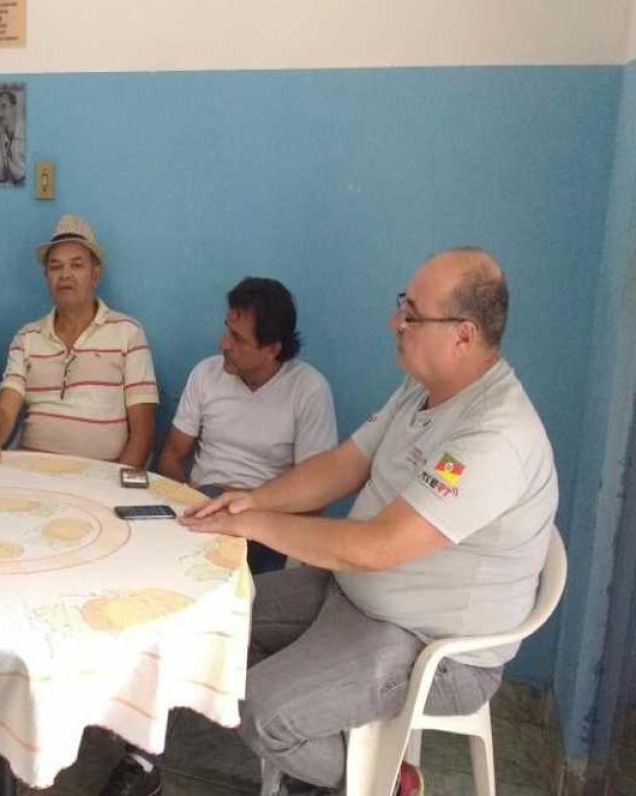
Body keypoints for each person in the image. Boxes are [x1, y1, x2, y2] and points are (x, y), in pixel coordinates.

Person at [169, 248, 558, 796]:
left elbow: (376, 547)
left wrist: (255, 524)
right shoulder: (422, 390)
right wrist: (253, 499)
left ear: (464, 335)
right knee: (214, 627)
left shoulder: (493, 437)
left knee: (261, 710)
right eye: (402, 305)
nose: (394, 322)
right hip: (354, 593)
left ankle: (385, 784)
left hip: (426, 642)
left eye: (413, 314)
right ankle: (323, 766)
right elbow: (344, 465)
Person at [157, 277, 337, 573]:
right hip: (201, 504)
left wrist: (246, 506)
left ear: (272, 350)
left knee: (228, 584)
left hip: (265, 520)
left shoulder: (308, 390)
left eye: (238, 338)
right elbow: (171, 455)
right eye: (227, 329)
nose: (223, 343)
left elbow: (315, 497)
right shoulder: (206, 374)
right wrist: (185, 497)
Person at [0, 214, 158, 468]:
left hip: (101, 479)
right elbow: (4, 409)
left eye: (77, 265)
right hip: (34, 474)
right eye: (55, 267)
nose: (65, 275)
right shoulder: (27, 338)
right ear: (46, 276)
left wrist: (113, 489)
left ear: (95, 275)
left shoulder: (128, 333)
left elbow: (143, 433)